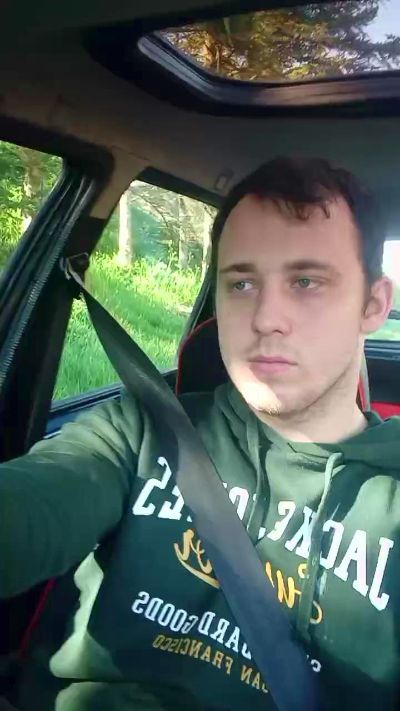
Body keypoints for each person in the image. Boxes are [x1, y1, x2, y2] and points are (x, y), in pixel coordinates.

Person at [0, 156, 398, 711]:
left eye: (306, 281)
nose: (265, 317)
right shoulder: (143, 431)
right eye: (242, 283)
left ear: (373, 305)